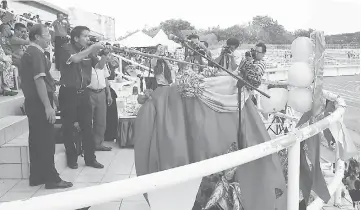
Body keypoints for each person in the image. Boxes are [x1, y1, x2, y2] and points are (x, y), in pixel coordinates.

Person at [19, 24, 72, 189]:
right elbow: (39, 80)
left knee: (36, 140)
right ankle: (52, 178)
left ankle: (37, 176)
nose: (50, 38)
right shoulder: (35, 53)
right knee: (47, 142)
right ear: (37, 37)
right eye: (47, 35)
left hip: (32, 102)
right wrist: (48, 106)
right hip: (40, 102)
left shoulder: (29, 52)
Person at [58, 26, 106, 169]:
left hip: (83, 92)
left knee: (87, 127)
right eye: (85, 36)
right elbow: (75, 59)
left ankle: (90, 159)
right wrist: (92, 48)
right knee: (68, 127)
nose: (87, 38)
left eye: (88, 36)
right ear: (76, 38)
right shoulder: (65, 48)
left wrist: (104, 55)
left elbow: (99, 66)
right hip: (68, 93)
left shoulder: (88, 50)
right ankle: (72, 158)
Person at [88, 50, 113, 151]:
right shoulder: (86, 62)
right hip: (89, 92)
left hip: (101, 93)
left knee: (101, 120)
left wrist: (109, 94)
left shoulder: (102, 63)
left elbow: (106, 79)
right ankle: (87, 144)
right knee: (88, 120)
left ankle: (98, 143)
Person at [0, 23, 17, 96]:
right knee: (5, 63)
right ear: (4, 29)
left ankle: (7, 87)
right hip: (3, 56)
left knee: (7, 62)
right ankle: (6, 87)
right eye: (8, 29)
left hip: (4, 56)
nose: (10, 31)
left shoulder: (5, 38)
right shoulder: (1, 37)